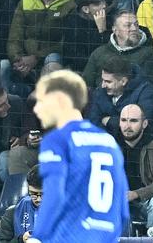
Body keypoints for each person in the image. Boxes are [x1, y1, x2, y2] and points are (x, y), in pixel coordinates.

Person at [31, 71, 127, 241]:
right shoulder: (108, 141)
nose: (37, 109)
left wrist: (38, 236)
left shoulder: (57, 140)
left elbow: (54, 194)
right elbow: (122, 209)